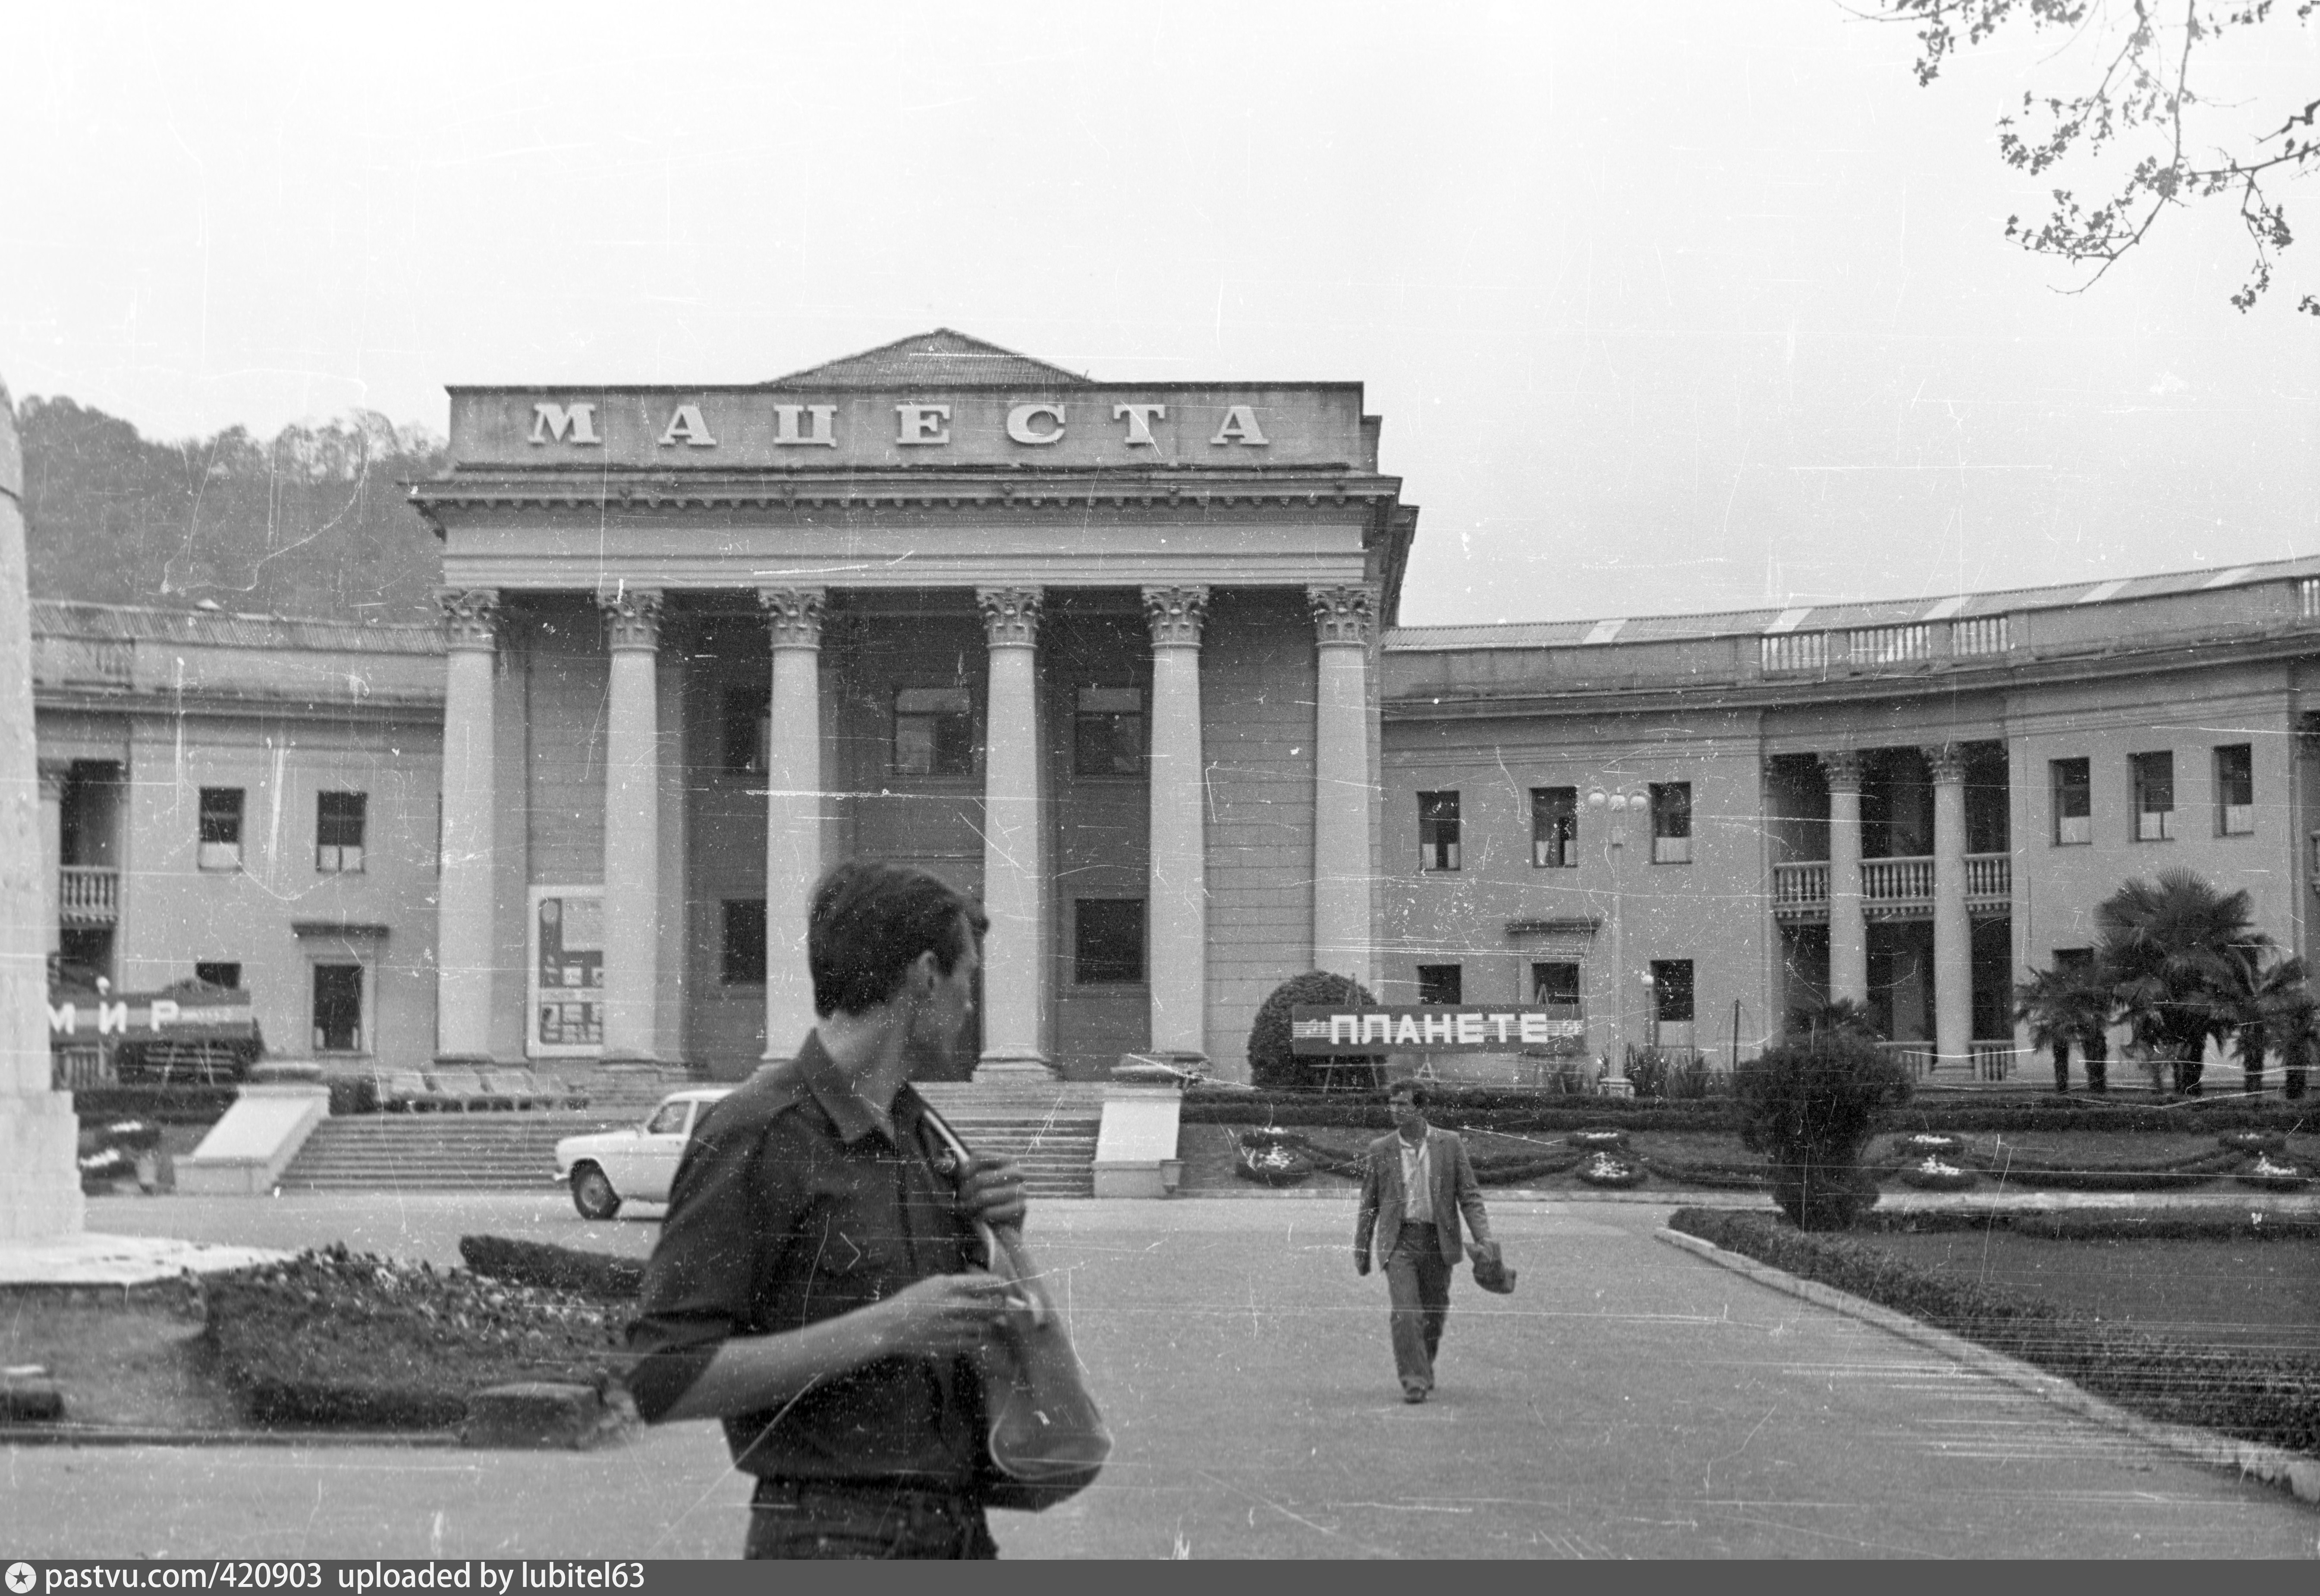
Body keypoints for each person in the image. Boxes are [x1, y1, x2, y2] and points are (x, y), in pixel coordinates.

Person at [625, 861, 1030, 1559]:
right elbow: (662, 1379)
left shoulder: (924, 1134)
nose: (971, 1002)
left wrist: (998, 1236)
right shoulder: (756, 1133)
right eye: (968, 976)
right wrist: (888, 1327)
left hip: (958, 1532)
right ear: (926, 976)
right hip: (830, 1537)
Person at [1352, 1078, 1493, 1404]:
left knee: (1434, 1312)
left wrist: (1483, 1237)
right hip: (1399, 1242)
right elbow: (1368, 1204)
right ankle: (1414, 1380)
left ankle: (1423, 1364)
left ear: (1421, 1107)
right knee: (1406, 1312)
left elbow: (1470, 1196)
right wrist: (1361, 1250)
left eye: (1403, 1104)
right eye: (1392, 1104)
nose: (1395, 1110)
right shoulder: (1381, 1149)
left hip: (1437, 1242)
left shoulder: (1450, 1144)